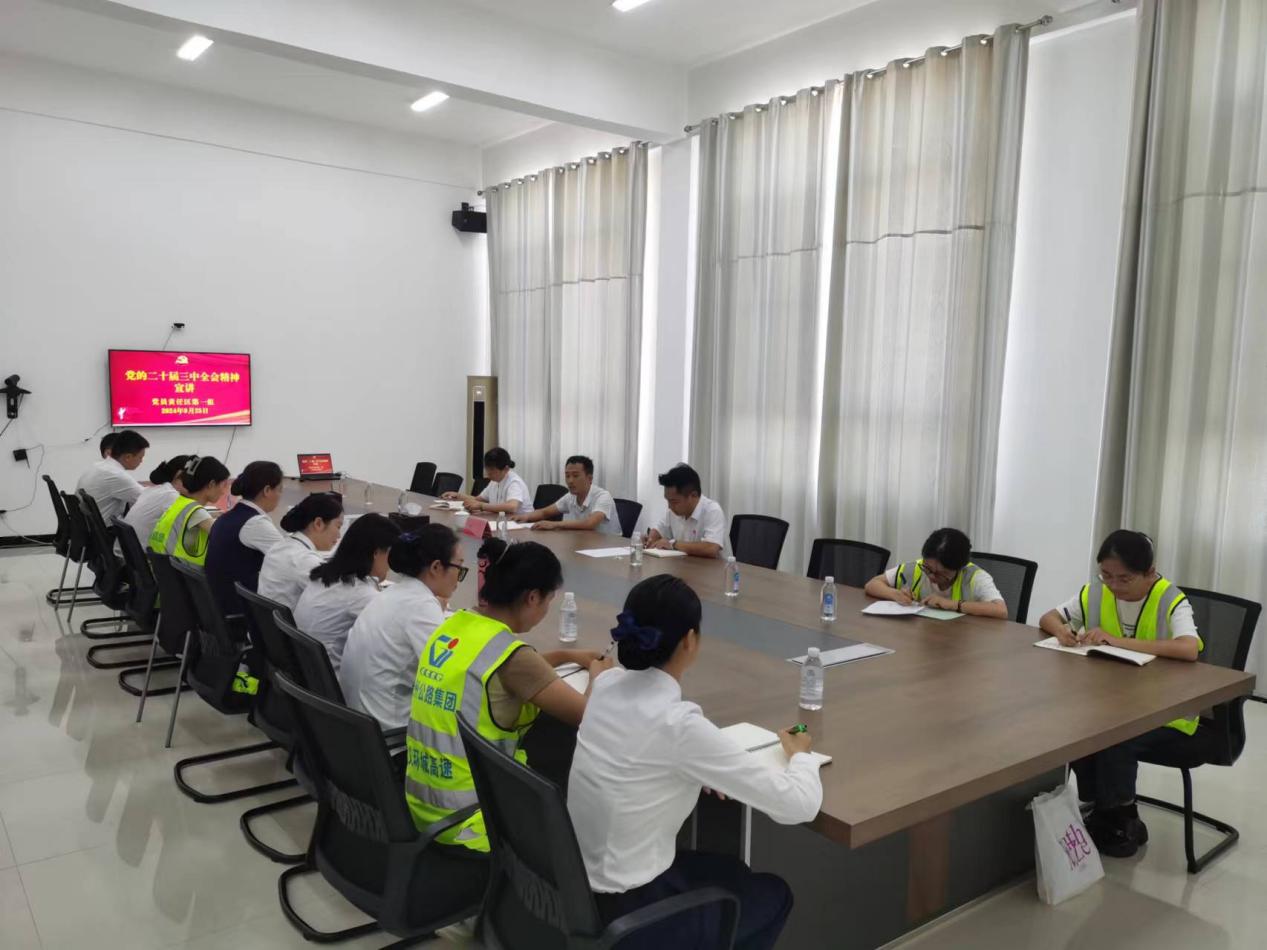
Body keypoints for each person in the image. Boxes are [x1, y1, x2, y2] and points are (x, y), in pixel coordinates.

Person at [568, 575, 822, 950]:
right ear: (690, 640)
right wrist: (801, 755)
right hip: (632, 916)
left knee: (733, 870)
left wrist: (692, 770)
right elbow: (799, 805)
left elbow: (637, 749)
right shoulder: (679, 726)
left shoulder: (605, 687)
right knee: (773, 894)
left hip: (576, 891)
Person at [405, 540, 611, 853]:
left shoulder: (454, 625)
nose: (545, 612)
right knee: (562, 744)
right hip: (474, 820)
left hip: (423, 806)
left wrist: (566, 654)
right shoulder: (512, 658)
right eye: (547, 602)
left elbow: (507, 668)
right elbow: (588, 715)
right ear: (533, 597)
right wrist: (599, 675)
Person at [1038, 529, 1202, 857]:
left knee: (1115, 738)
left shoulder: (1170, 598)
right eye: (1106, 575)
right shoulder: (1096, 591)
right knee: (1073, 726)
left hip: (1165, 710)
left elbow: (1188, 649)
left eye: (1124, 578)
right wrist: (1063, 631)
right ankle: (1099, 805)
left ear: (1149, 573)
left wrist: (1118, 641)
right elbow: (1049, 617)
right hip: (1110, 701)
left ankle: (1122, 815)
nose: (1113, 585)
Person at [340, 525, 470, 731]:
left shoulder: (394, 592)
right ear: (436, 567)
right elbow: (452, 674)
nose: (459, 577)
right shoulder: (421, 605)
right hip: (389, 732)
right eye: (459, 568)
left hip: (357, 720)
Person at [294, 512, 400, 672]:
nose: (391, 565)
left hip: (305, 675)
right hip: (330, 680)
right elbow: (396, 634)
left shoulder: (324, 576)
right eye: (390, 555)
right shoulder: (360, 594)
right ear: (376, 553)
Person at [863, 528, 1008, 619]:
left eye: (941, 574)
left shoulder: (975, 577)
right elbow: (872, 584)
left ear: (959, 568)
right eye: (928, 569)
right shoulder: (917, 568)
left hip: (962, 640)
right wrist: (895, 594)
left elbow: (1001, 610)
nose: (932, 576)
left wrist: (952, 605)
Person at [205, 460, 285, 615]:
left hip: (221, 605)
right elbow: (291, 561)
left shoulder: (226, 517)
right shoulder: (255, 523)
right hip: (243, 611)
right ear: (267, 490)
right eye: (280, 490)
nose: (280, 496)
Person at [257, 492, 344, 611]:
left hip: (270, 620)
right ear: (318, 523)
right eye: (338, 526)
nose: (339, 535)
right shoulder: (303, 560)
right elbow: (339, 596)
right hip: (290, 622)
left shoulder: (281, 546)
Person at [147, 456, 232, 565]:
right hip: (185, 573)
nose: (224, 491)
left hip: (164, 570)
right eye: (224, 485)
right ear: (211, 484)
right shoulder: (197, 513)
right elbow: (226, 537)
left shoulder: (179, 503)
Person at [514, 455, 619, 536]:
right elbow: (544, 512)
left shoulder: (603, 496)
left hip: (609, 547)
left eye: (575, 476)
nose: (570, 481)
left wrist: (554, 524)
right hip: (583, 541)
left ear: (589, 478)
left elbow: (590, 523)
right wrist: (524, 517)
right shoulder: (570, 496)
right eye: (567, 476)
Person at [645, 463, 725, 558]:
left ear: (693, 495)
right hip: (684, 564)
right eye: (668, 500)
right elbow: (658, 531)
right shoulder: (673, 511)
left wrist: (673, 544)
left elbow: (711, 548)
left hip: (713, 567)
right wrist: (649, 540)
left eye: (674, 501)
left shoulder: (712, 510)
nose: (669, 506)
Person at [76, 429, 149, 524]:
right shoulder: (116, 475)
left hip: (88, 527)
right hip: (109, 530)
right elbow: (148, 498)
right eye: (140, 457)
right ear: (128, 457)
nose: (141, 461)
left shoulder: (99, 466)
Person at [123, 454, 192, 546]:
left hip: (127, 550)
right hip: (139, 553)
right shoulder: (171, 496)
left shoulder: (156, 489)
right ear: (179, 475)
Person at [442, 446, 533, 516]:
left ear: (506, 469)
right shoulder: (494, 481)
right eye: (487, 469)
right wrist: (458, 495)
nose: (488, 473)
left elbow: (512, 507)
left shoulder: (514, 482)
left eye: (492, 470)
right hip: (504, 521)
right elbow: (478, 499)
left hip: (522, 525)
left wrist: (481, 506)